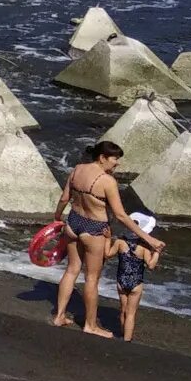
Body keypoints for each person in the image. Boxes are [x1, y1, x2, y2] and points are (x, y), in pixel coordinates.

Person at [52, 141, 165, 337]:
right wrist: (150, 239)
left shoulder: (78, 169)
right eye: (115, 159)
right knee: (92, 279)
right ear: (102, 157)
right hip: (93, 229)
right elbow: (121, 216)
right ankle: (90, 325)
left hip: (73, 222)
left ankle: (59, 316)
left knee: (71, 271)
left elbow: (64, 198)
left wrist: (56, 218)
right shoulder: (107, 182)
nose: (117, 164)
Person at [111, 212, 162, 343]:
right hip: (136, 282)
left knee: (123, 309)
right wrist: (156, 252)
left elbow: (107, 254)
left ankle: (122, 332)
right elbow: (150, 265)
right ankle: (127, 340)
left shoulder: (120, 242)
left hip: (121, 281)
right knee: (131, 313)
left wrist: (106, 238)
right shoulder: (144, 247)